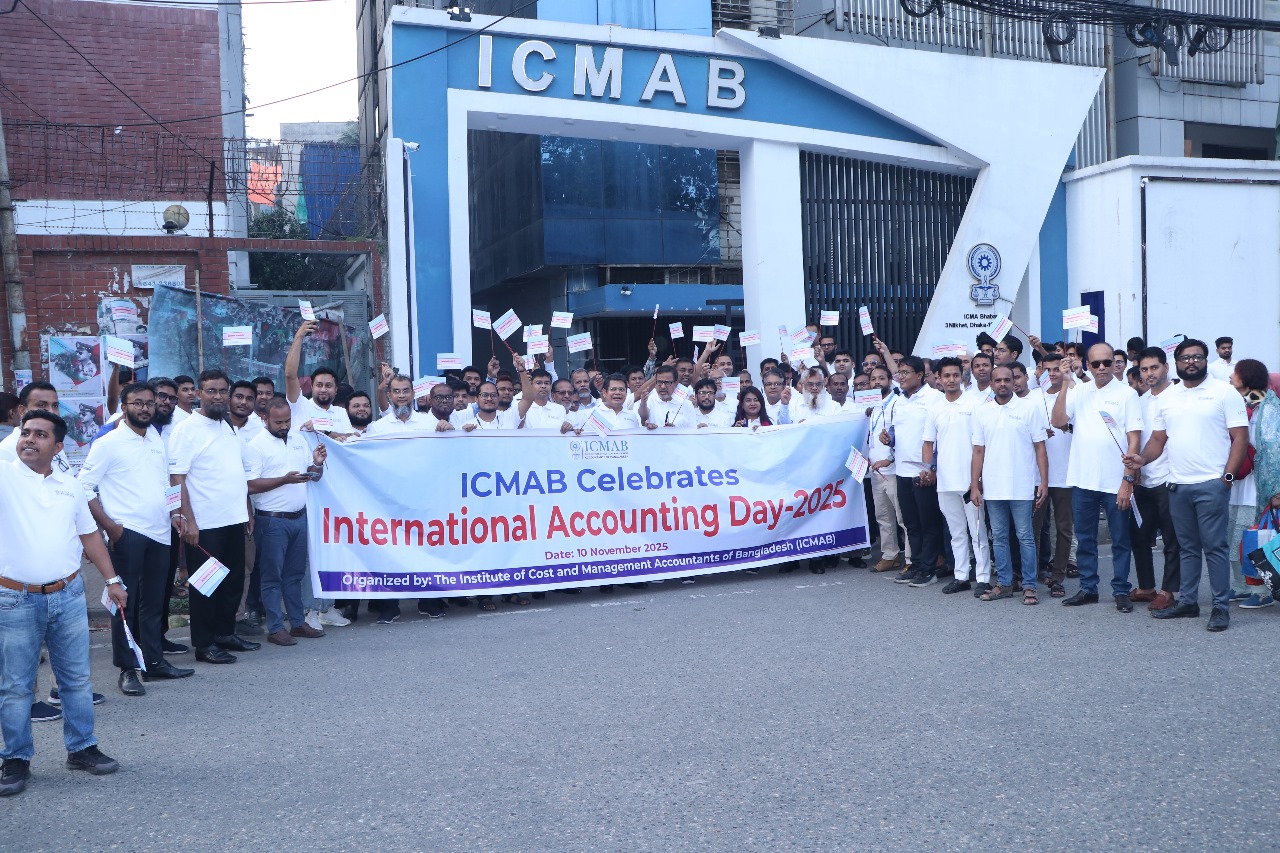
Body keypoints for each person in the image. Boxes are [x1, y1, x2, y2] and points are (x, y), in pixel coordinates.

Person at [0, 410, 128, 796]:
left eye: (40, 435)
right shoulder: (4, 476)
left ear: (57, 447)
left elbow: (89, 536)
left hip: (68, 595)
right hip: (15, 599)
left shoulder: (70, 485)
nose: (29, 439)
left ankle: (82, 748)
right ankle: (15, 758)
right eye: (25, 432)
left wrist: (112, 580)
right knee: (16, 686)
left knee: (76, 679)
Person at [78, 382, 194, 697]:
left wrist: (176, 514)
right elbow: (83, 487)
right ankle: (127, 669)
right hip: (127, 533)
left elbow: (166, 483)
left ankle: (154, 663)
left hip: (161, 532)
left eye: (149, 403)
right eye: (137, 403)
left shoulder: (155, 438)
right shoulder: (109, 443)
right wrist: (110, 527)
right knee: (123, 605)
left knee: (154, 603)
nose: (144, 408)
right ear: (125, 407)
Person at [1128, 339, 1248, 631]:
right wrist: (1142, 459)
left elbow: (1240, 438)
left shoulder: (1224, 392)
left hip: (1211, 484)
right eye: (1185, 358)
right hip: (1177, 485)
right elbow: (1158, 439)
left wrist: (1227, 478)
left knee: (1215, 548)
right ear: (1177, 363)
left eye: (1197, 357)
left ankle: (1220, 608)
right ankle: (1188, 602)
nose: (1191, 362)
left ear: (1206, 360)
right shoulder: (1168, 397)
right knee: (1187, 548)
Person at [168, 369, 259, 664]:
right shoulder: (187, 429)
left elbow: (235, 472)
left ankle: (224, 634)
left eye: (222, 391)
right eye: (211, 391)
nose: (218, 396)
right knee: (206, 586)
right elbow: (176, 478)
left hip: (233, 519)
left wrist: (246, 510)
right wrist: (187, 520)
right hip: (204, 525)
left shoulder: (227, 425)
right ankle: (205, 644)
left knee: (232, 583)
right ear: (198, 394)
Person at [1052, 342, 1142, 612]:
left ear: (1114, 363)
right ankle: (1088, 588)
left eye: (1107, 362)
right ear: (1087, 366)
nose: (1102, 368)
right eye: (1096, 364)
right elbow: (1058, 421)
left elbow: (1134, 439)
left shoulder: (1127, 394)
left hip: (1115, 481)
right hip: (1083, 480)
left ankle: (1121, 590)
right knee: (1085, 539)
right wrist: (1065, 383)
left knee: (1120, 540)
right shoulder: (1079, 391)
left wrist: (1127, 480)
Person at [246, 398, 330, 645]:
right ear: (265, 419)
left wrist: (317, 464)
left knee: (294, 575)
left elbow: (312, 476)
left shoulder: (298, 439)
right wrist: (284, 480)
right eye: (278, 422)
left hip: (298, 518)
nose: (284, 426)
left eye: (287, 421)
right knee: (271, 577)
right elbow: (250, 485)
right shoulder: (255, 445)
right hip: (272, 521)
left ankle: (297, 623)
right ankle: (275, 628)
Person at [970, 365, 1049, 604]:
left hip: (1022, 485)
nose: (1003, 384)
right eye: (998, 380)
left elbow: (1040, 448)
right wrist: (974, 485)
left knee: (1025, 536)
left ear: (1014, 382)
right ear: (991, 384)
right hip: (993, 486)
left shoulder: (1029, 408)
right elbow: (978, 451)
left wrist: (1043, 482)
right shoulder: (982, 412)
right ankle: (1004, 583)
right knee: (999, 536)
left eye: (1008, 379)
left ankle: (1029, 585)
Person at [921, 357, 990, 596]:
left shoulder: (975, 404)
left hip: (971, 482)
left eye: (955, 375)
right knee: (956, 532)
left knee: (978, 532)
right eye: (946, 376)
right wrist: (928, 468)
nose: (951, 380)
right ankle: (961, 577)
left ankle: (983, 578)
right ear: (938, 378)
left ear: (962, 377)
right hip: (945, 481)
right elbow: (928, 443)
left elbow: (981, 446)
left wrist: (977, 480)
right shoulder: (935, 407)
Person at [884, 356, 944, 586]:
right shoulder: (899, 401)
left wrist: (932, 467)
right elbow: (896, 431)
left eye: (905, 372)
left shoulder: (934, 398)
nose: (900, 377)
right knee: (911, 523)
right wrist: (888, 438)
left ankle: (929, 569)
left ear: (920, 375)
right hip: (902, 470)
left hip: (923, 471)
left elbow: (939, 436)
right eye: (899, 373)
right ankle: (916, 564)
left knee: (928, 523)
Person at [1130, 347, 1181, 611]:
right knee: (1139, 535)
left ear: (1166, 367)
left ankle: (1168, 591)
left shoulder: (1179, 396)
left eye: (1154, 367)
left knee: (1172, 540)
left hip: (1171, 479)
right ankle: (1146, 587)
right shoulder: (1141, 401)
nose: (1149, 373)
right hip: (1143, 478)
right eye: (1144, 369)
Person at [1226, 359, 1270, 607]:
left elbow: (1270, 449)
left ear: (1246, 377)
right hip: (1235, 485)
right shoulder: (1238, 406)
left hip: (1255, 488)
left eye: (1235, 373)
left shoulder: (1265, 409)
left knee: (1252, 539)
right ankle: (1240, 586)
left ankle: (1262, 591)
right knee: (1231, 538)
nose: (1231, 376)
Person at [866, 365, 907, 573]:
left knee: (902, 518)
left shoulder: (897, 403)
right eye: (873, 379)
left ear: (890, 381)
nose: (877, 382)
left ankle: (911, 559)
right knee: (883, 517)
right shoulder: (872, 407)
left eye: (881, 378)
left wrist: (889, 459)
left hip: (893, 470)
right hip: (875, 471)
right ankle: (890, 555)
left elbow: (904, 437)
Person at [285, 320, 353, 435]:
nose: (323, 389)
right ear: (312, 387)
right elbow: (290, 375)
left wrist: (324, 431)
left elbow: (350, 438)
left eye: (329, 386)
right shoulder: (300, 405)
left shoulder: (341, 412)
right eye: (319, 385)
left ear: (336, 389)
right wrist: (299, 336)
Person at [564, 374, 641, 432]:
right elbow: (566, 428)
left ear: (626, 393)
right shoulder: (588, 414)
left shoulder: (632, 416)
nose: (617, 392)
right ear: (604, 392)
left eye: (621, 389)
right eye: (613, 389)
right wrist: (569, 429)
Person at [366, 374, 435, 434]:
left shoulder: (430, 423)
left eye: (406, 391)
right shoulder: (377, 428)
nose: (401, 395)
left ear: (413, 394)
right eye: (396, 391)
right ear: (389, 395)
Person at [515, 359, 567, 430]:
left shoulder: (560, 409)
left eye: (546, 383)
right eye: (538, 383)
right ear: (531, 384)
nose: (543, 386)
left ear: (551, 386)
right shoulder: (523, 408)